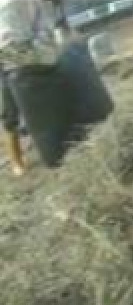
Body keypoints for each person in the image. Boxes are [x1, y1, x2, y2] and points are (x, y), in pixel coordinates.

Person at [0, 0, 69, 176]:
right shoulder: (9, 6)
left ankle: (55, 143)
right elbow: (8, 44)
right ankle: (17, 162)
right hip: (8, 59)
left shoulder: (44, 5)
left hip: (34, 54)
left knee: (47, 101)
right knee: (10, 113)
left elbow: (53, 24)